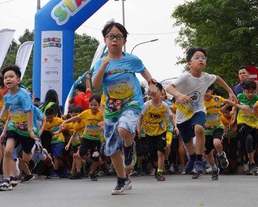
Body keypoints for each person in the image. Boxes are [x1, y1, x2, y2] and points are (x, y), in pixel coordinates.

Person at [91, 21, 158, 195]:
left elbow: (144, 71)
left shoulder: (131, 60)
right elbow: (96, 85)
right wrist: (104, 65)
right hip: (112, 107)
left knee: (124, 129)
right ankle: (122, 180)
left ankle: (129, 146)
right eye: (110, 36)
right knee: (111, 146)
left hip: (132, 102)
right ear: (105, 40)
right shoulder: (100, 63)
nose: (114, 40)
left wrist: (151, 83)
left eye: (118, 36)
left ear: (124, 40)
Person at [166, 46, 237, 179]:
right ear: (189, 63)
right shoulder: (185, 77)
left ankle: (198, 159)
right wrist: (179, 95)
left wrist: (230, 91)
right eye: (197, 58)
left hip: (198, 110)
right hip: (183, 115)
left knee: (199, 129)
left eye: (203, 58)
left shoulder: (206, 77)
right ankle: (192, 158)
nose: (201, 60)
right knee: (187, 142)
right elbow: (169, 88)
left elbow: (218, 78)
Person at [0, 65, 37, 191]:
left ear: (18, 80)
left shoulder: (23, 95)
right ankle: (6, 180)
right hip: (14, 127)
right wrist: (0, 119)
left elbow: (29, 111)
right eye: (5, 77)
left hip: (26, 129)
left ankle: (35, 146)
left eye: (11, 77)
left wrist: (29, 130)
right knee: (7, 151)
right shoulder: (7, 96)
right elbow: (6, 107)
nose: (8, 79)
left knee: (26, 158)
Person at [138, 82, 177, 181]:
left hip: (161, 131)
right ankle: (156, 167)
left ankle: (160, 172)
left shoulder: (164, 106)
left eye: (156, 91)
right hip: (149, 131)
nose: (154, 94)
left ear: (161, 92)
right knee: (153, 154)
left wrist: (175, 126)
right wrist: (139, 129)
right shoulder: (146, 105)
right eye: (152, 92)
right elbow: (140, 117)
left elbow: (171, 116)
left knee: (161, 152)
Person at [63, 95, 103, 181]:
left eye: (95, 105)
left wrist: (103, 125)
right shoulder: (86, 113)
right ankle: (89, 162)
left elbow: (105, 121)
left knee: (96, 156)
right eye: (91, 105)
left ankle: (92, 173)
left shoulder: (101, 114)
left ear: (99, 105)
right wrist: (65, 121)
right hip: (86, 137)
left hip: (96, 139)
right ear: (89, 105)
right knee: (81, 153)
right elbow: (76, 118)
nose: (93, 107)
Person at [227, 79, 258, 175]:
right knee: (248, 139)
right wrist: (234, 116)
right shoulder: (240, 96)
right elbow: (235, 104)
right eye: (247, 92)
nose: (250, 94)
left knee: (253, 144)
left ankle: (251, 162)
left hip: (254, 124)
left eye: (252, 92)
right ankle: (251, 163)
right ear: (243, 91)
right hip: (242, 122)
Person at [203, 84, 231, 180]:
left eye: (207, 91)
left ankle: (221, 155)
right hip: (206, 130)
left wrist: (237, 104)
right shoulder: (199, 103)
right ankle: (214, 168)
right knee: (207, 153)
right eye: (203, 91)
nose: (205, 94)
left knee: (217, 142)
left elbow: (227, 101)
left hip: (217, 127)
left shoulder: (216, 99)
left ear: (212, 91)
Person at [42, 107, 66, 179]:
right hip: (53, 141)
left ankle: (55, 172)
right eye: (48, 117)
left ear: (54, 115)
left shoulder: (58, 120)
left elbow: (65, 125)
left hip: (60, 140)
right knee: (56, 157)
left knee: (56, 156)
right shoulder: (45, 123)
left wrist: (61, 128)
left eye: (51, 117)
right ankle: (63, 171)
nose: (49, 119)